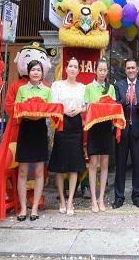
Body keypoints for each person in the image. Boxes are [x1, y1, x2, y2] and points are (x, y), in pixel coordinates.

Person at [48, 57, 86, 216]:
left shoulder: (83, 87)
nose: (72, 69)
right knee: (60, 165)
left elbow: (86, 105)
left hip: (76, 125)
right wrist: (63, 110)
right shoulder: (57, 85)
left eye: (75, 67)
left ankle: (70, 201)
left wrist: (80, 110)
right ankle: (62, 200)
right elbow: (52, 104)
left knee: (74, 165)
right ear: (66, 68)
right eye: (70, 66)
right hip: (62, 123)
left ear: (78, 70)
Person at [15, 60, 52, 221]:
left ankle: (35, 207)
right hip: (25, 129)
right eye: (33, 70)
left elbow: (50, 111)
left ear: (42, 73)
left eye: (38, 70)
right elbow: (16, 110)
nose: (36, 73)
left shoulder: (47, 91)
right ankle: (23, 208)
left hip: (40, 130)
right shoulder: (22, 90)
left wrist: (38, 110)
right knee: (22, 171)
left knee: (38, 171)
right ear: (28, 73)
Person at [113, 58, 139, 209]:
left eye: (133, 68)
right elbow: (115, 106)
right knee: (120, 165)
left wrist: (136, 102)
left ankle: (136, 196)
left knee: (137, 165)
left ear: (137, 69)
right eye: (128, 68)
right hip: (121, 131)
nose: (131, 70)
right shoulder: (118, 85)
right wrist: (125, 101)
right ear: (125, 70)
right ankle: (119, 197)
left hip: (137, 131)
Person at [84, 58, 116, 213]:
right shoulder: (89, 87)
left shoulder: (111, 88)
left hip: (106, 129)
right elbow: (87, 108)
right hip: (94, 128)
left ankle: (101, 198)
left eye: (105, 70)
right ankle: (93, 200)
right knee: (93, 164)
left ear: (107, 72)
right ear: (95, 71)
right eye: (100, 70)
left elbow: (114, 108)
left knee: (104, 164)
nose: (102, 72)